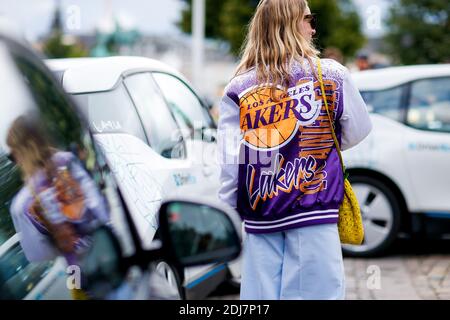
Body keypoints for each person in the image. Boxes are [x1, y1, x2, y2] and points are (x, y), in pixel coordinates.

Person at [217, 0, 372, 300]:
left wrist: (227, 215)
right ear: (290, 23)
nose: (313, 27)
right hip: (314, 210)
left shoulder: (238, 88)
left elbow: (230, 162)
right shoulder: (332, 75)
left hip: (260, 215)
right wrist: (321, 146)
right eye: (308, 18)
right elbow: (360, 129)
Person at [6, 114, 109, 299]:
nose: (16, 162)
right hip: (108, 251)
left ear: (21, 151)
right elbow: (100, 211)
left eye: (14, 154)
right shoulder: (68, 161)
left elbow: (38, 255)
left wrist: (57, 236)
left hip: (78, 274)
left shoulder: (22, 204)